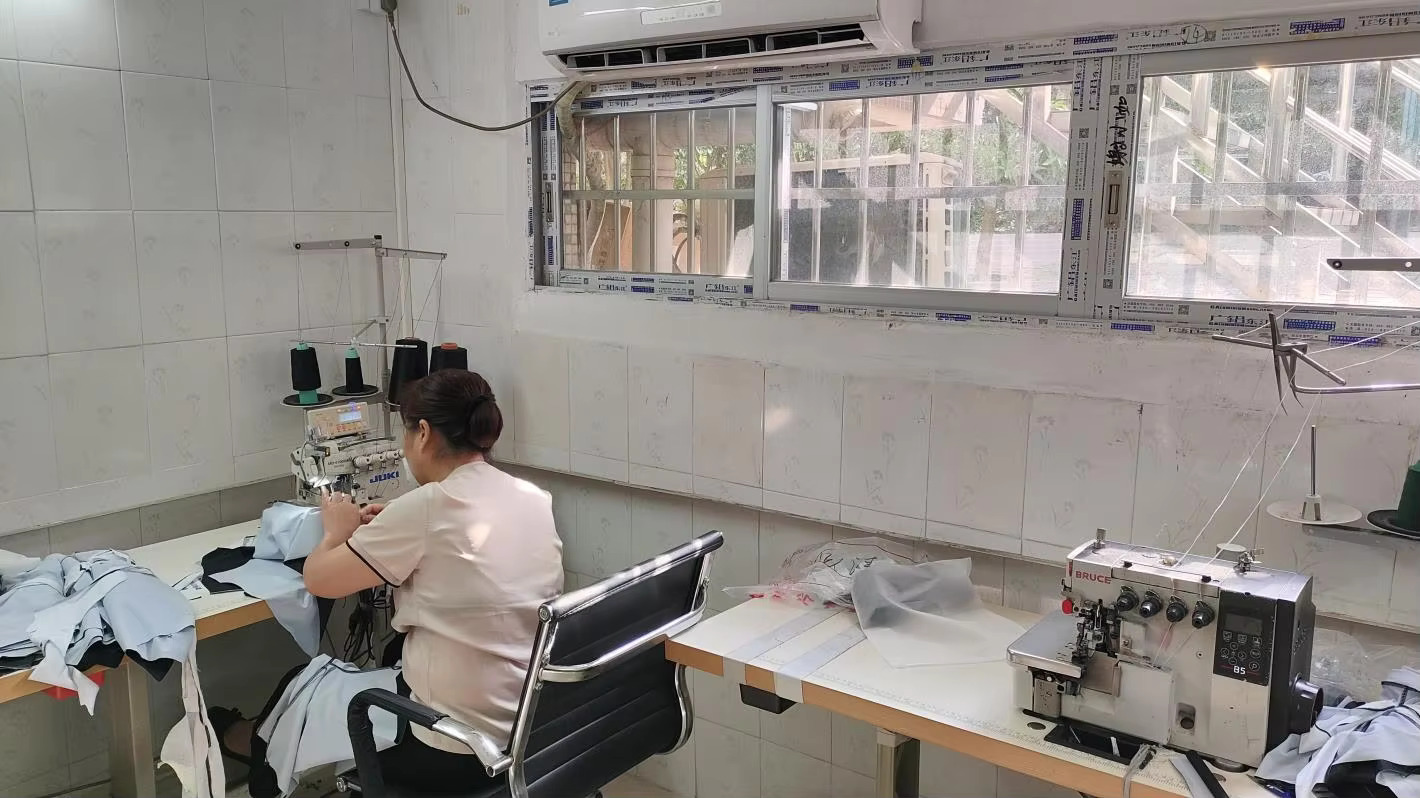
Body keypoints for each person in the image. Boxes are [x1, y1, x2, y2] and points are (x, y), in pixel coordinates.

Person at [210, 370, 564, 795]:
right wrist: (394, 526)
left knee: (302, 684)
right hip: (526, 722)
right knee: (377, 665)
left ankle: (251, 752)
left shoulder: (428, 506)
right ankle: (250, 740)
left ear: (423, 434)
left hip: (453, 744)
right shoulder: (530, 497)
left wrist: (336, 532)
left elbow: (319, 580)